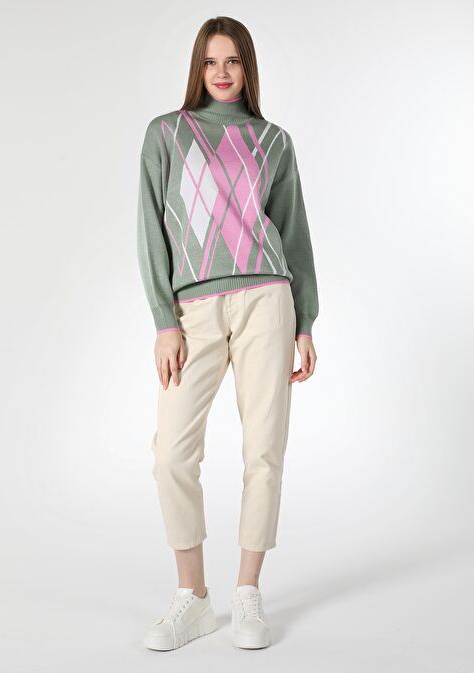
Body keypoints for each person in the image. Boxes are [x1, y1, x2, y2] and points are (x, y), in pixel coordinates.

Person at [137, 16, 319, 651]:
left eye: (233, 61)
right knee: (170, 455)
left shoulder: (273, 142)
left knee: (264, 449)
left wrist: (306, 321)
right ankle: (193, 596)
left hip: (268, 299)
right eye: (211, 61)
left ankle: (247, 591)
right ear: (198, 67)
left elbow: (293, 233)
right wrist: (164, 321)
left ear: (248, 69)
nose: (221, 72)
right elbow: (150, 231)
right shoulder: (167, 133)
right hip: (194, 310)